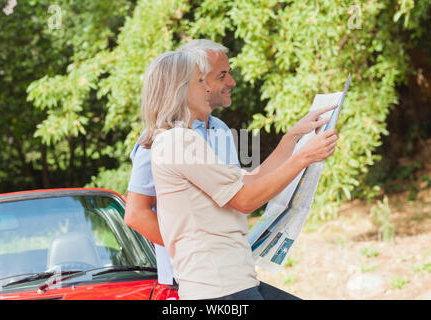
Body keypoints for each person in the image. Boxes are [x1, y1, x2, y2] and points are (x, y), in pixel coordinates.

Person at [143, 48, 338, 300]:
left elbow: (250, 181)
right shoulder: (178, 142)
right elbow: (245, 200)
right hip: (218, 288)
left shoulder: (183, 139)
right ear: (179, 90)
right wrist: (305, 157)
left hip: (232, 282)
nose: (208, 89)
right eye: (200, 81)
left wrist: (294, 138)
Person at [124, 40, 240, 287]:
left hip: (230, 274)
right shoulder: (159, 138)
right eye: (222, 76)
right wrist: (199, 251)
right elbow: (136, 213)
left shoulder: (221, 130)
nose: (231, 82)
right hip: (187, 281)